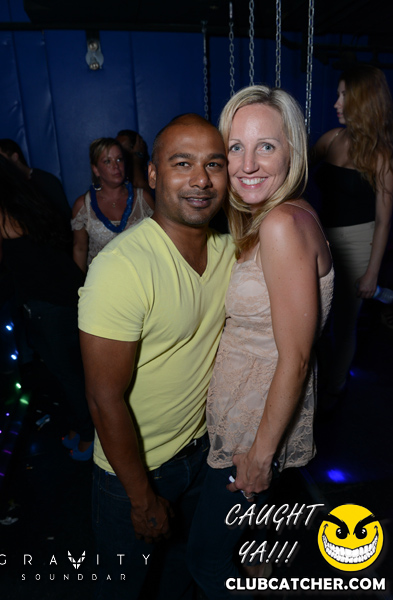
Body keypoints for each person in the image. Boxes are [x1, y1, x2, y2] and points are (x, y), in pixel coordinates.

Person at [78, 114, 235, 599]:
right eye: (182, 163)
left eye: (214, 164)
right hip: (134, 472)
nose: (200, 180)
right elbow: (103, 398)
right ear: (151, 174)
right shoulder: (121, 267)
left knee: (178, 578)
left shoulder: (230, 250)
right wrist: (142, 496)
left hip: (203, 456)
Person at [187, 85, 334, 598]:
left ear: (292, 151)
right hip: (250, 418)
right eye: (235, 147)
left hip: (251, 433)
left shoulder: (281, 225)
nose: (247, 164)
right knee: (256, 552)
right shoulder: (280, 215)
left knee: (206, 560)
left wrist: (260, 455)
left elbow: (296, 357)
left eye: (266, 146)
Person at [0, 149, 94, 459]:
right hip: (66, 290)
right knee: (75, 370)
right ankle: (82, 426)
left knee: (68, 374)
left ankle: (92, 437)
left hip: (47, 303)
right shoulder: (22, 194)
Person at [312, 64, 393, 400]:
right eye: (338, 94)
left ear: (363, 101)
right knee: (314, 320)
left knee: (344, 325)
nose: (336, 103)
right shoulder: (331, 139)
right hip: (321, 239)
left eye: (344, 95)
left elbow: (384, 220)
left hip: (360, 242)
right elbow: (295, 174)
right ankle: (313, 387)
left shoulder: (382, 155)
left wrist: (372, 273)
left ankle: (335, 388)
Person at [71, 137, 154, 273]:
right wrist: (78, 284)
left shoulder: (143, 199)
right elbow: (80, 249)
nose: (116, 166)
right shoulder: (83, 205)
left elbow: (158, 243)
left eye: (119, 159)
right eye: (107, 161)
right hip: (101, 281)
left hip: (140, 278)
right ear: (96, 169)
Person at [0, 138, 71, 221]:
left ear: (15, 157)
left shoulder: (45, 180)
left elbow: (63, 215)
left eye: (1, 159)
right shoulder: (3, 188)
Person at [116, 129, 153, 196]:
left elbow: (142, 196)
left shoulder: (151, 174)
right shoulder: (116, 174)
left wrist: (137, 157)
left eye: (122, 149)